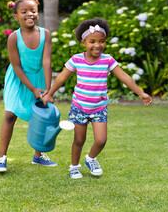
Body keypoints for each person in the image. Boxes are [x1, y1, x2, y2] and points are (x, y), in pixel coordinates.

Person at [41, 17, 153, 179]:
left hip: (99, 108)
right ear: (83, 43)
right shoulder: (77, 60)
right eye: (92, 41)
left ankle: (91, 158)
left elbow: (124, 77)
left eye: (102, 41)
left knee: (101, 140)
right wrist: (50, 93)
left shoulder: (107, 60)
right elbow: (61, 79)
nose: (97, 45)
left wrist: (141, 93)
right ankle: (74, 166)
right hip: (79, 107)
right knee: (79, 140)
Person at [0, 0, 56, 172]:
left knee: (40, 116)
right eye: (24, 12)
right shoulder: (13, 38)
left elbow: (46, 62)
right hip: (18, 79)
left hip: (38, 78)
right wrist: (33, 89)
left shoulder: (45, 34)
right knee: (10, 115)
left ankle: (38, 156)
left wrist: (47, 90)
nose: (30, 14)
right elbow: (16, 66)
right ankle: (1, 158)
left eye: (33, 11)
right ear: (16, 16)